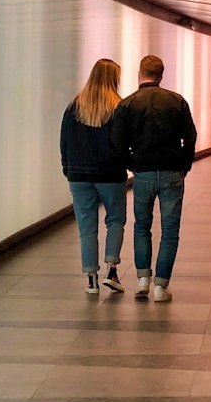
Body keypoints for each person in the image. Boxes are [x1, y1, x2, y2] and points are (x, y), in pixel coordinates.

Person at [108, 54, 197, 303]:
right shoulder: (177, 101)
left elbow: (116, 141)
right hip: (171, 172)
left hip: (143, 173)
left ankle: (142, 280)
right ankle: (161, 286)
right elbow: (190, 136)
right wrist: (184, 165)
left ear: (140, 74)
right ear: (161, 75)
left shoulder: (127, 105)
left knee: (142, 225)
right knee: (170, 230)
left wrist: (131, 163)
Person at [61, 58, 128, 297]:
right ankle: (111, 270)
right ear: (114, 79)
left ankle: (91, 279)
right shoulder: (119, 107)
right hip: (111, 174)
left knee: (86, 227)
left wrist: (67, 168)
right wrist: (126, 163)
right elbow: (123, 143)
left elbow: (64, 140)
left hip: (79, 175)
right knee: (115, 220)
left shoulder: (74, 106)